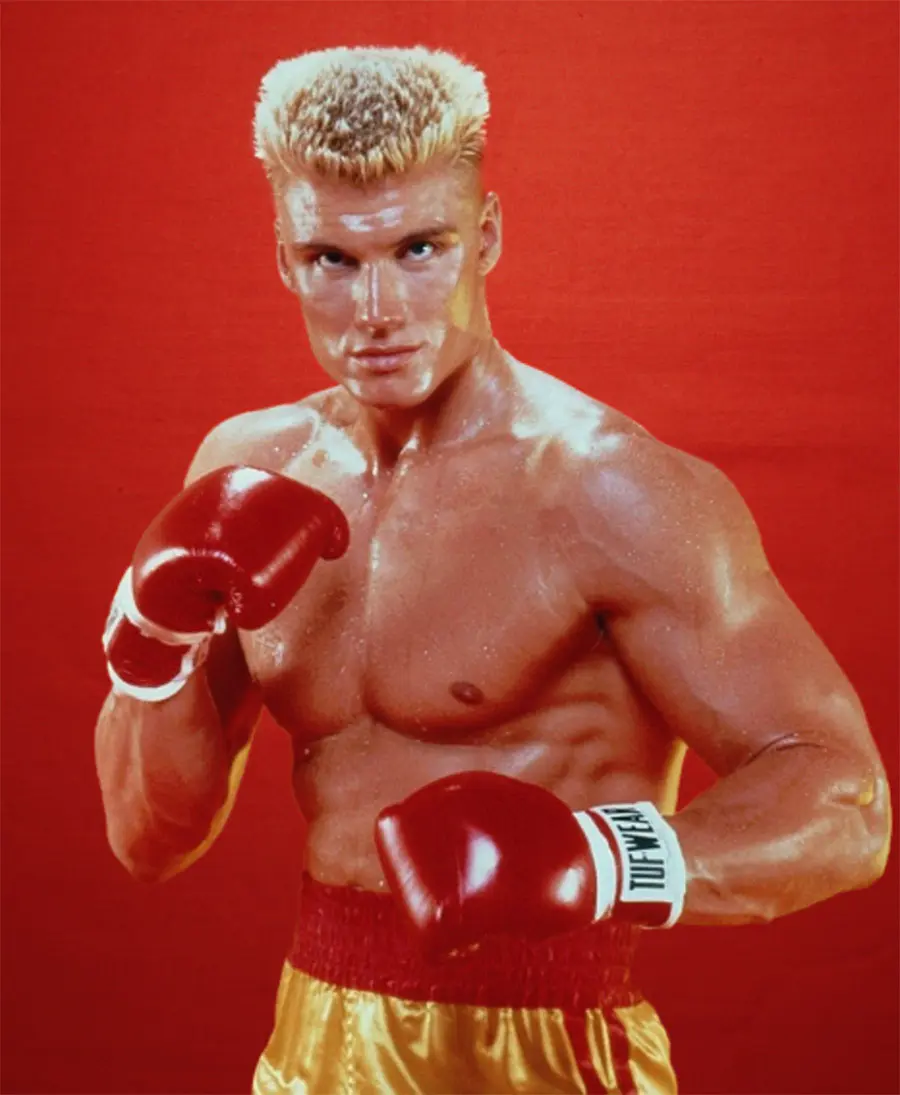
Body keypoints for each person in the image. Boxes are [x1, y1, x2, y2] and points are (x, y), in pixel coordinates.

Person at [94, 45, 891, 1095]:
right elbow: (150, 839)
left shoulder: (609, 491)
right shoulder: (246, 468)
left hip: (546, 1053)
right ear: (283, 258)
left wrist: (601, 861)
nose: (378, 309)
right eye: (333, 258)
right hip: (308, 1050)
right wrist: (149, 645)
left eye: (420, 247)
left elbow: (847, 803)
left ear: (489, 235)